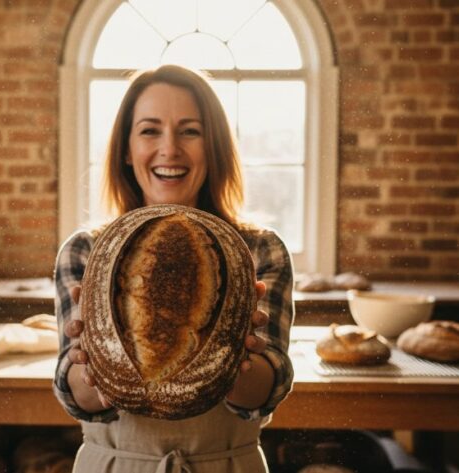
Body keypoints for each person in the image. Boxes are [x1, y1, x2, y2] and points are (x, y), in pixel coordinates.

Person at [53, 64, 294, 473]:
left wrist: (232, 360)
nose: (170, 149)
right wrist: (89, 367)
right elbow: (76, 397)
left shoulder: (256, 250)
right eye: (150, 130)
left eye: (190, 131)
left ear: (214, 146)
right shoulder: (88, 251)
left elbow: (267, 390)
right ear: (126, 150)